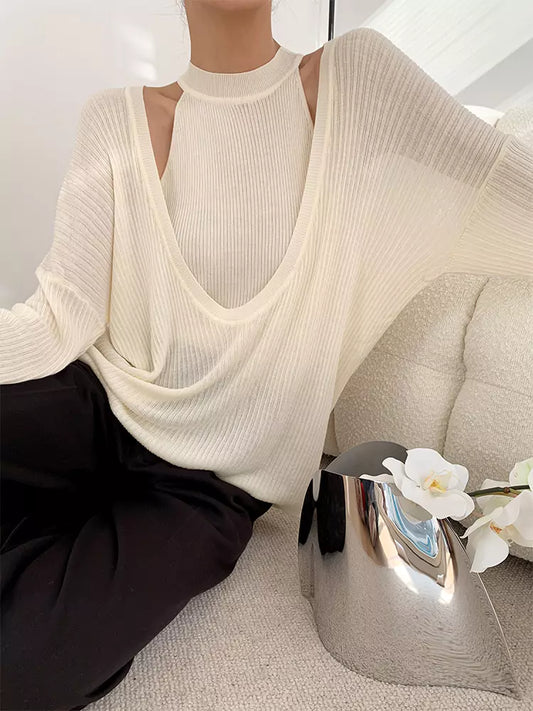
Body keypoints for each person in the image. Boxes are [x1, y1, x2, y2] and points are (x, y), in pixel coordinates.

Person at [1, 0, 532, 708]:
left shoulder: (354, 79)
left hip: (209, 485)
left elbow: (509, 191)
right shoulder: (116, 117)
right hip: (95, 404)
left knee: (25, 668)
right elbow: (59, 315)